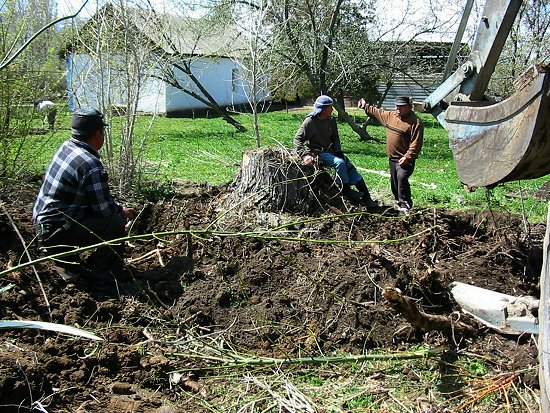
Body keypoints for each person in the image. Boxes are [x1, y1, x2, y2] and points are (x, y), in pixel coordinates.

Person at [33, 108, 137, 294]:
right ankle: (105, 283)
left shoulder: (66, 147)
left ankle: (73, 263)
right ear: (98, 133)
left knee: (106, 217)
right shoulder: (90, 164)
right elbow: (105, 211)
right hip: (56, 232)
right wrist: (121, 212)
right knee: (114, 223)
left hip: (44, 226)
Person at [294, 95, 377, 207]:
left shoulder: (331, 119)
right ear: (322, 109)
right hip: (318, 153)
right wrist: (305, 155)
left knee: (349, 166)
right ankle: (345, 190)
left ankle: (367, 197)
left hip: (331, 150)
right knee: (339, 163)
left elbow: (335, 138)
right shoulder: (310, 121)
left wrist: (338, 151)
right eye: (330, 107)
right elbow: (297, 140)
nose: (332, 110)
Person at [357, 96, 424, 214]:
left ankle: (405, 204)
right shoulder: (390, 116)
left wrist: (407, 157)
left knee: (402, 177)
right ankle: (398, 202)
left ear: (409, 107)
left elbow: (416, 144)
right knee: (394, 183)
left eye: (402, 107)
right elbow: (377, 112)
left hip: (405, 159)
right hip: (392, 158)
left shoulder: (415, 122)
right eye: (397, 107)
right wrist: (365, 106)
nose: (399, 110)